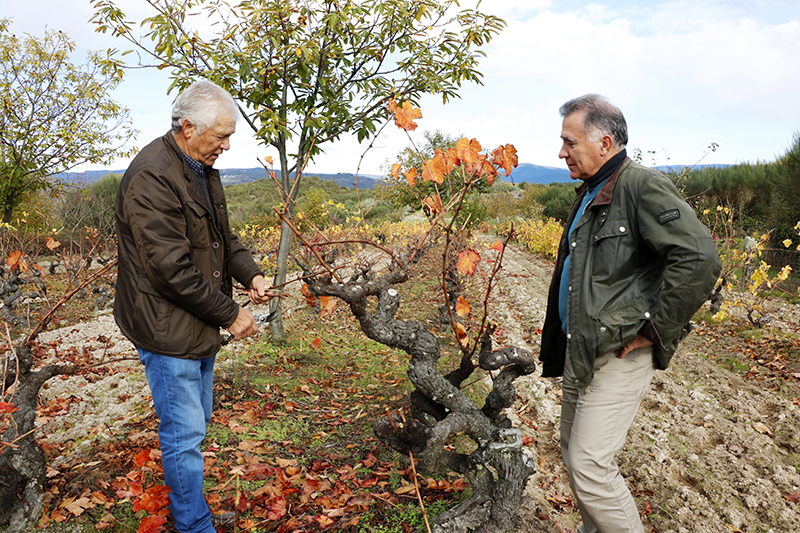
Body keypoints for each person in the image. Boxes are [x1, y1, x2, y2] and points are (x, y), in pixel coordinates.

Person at [539, 94, 721, 533]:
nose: (561, 152)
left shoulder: (640, 185)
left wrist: (655, 328)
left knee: (590, 465)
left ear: (604, 143)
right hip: (583, 347)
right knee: (572, 452)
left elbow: (699, 257)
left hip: (618, 352)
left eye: (569, 142)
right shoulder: (591, 191)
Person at [114, 79, 272, 533]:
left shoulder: (199, 167)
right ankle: (194, 526)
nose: (226, 145)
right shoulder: (153, 176)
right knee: (184, 437)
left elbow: (222, 239)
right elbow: (171, 270)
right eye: (220, 136)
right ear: (188, 127)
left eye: (229, 136)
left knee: (195, 426)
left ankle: (191, 512)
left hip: (194, 320)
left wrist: (251, 274)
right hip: (167, 327)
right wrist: (231, 313)